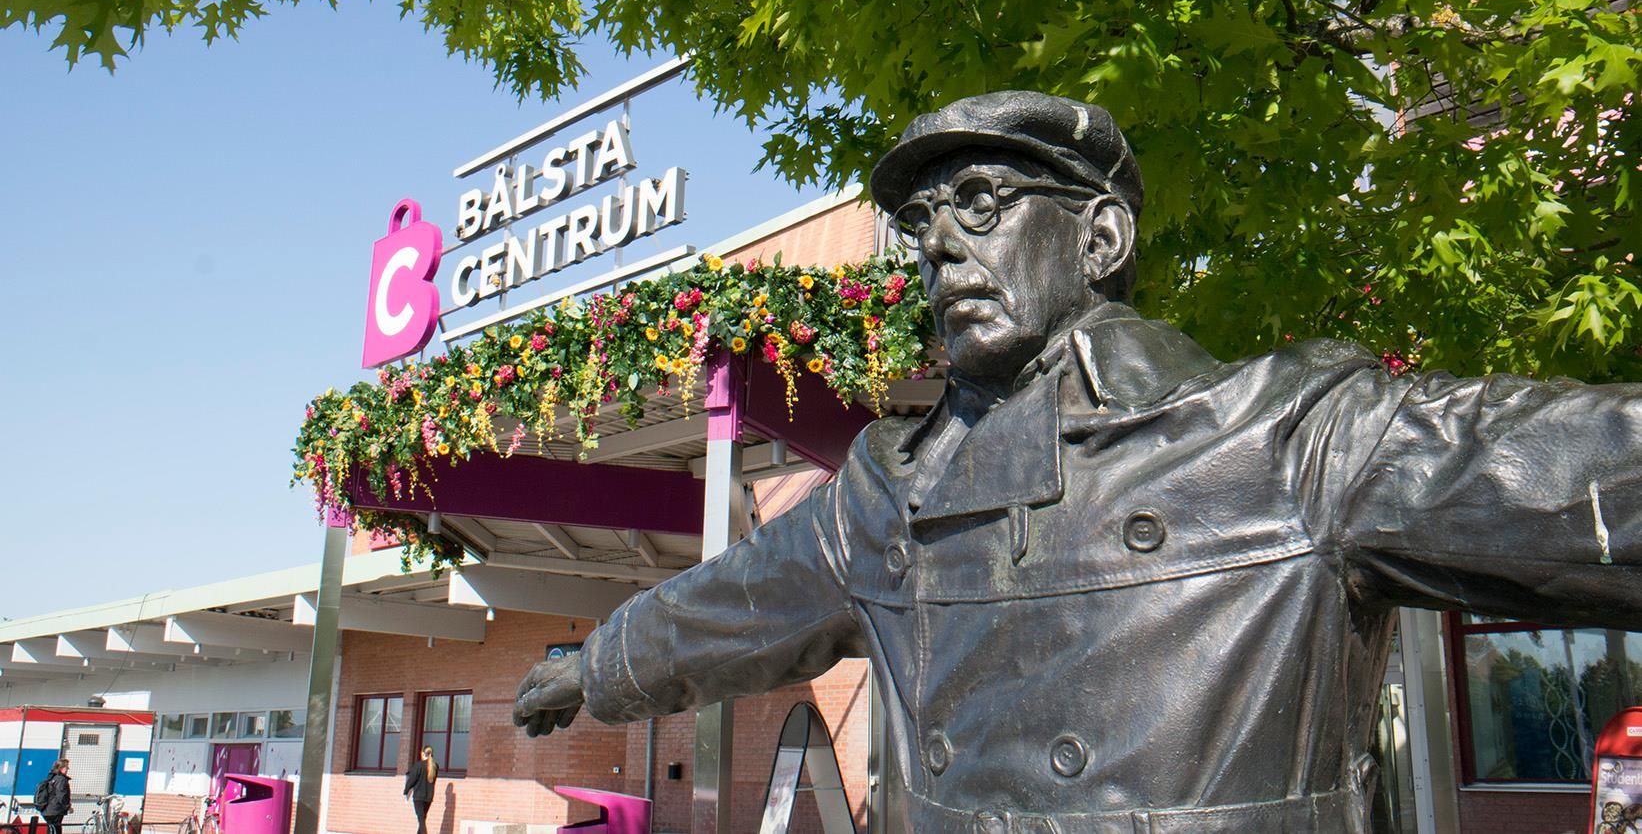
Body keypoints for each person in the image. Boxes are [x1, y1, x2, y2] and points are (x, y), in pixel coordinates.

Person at [515, 91, 1642, 832]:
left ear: (1099, 237)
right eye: (921, 223)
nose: (938, 243)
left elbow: (1582, 476)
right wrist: (596, 662)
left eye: (981, 202)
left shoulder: (1291, 436)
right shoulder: (890, 492)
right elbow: (736, 601)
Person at [403, 746, 437, 834]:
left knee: (421, 820)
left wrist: (406, 791)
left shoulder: (418, 765)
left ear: (422, 753)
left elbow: (411, 780)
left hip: (419, 797)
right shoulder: (435, 766)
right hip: (429, 797)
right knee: (422, 819)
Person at [37, 759, 71, 834]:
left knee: (52, 830)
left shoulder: (52, 777)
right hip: (55, 810)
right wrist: (68, 806)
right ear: (61, 768)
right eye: (66, 767)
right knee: (56, 830)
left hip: (47, 810)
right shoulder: (61, 779)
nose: (67, 770)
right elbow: (61, 795)